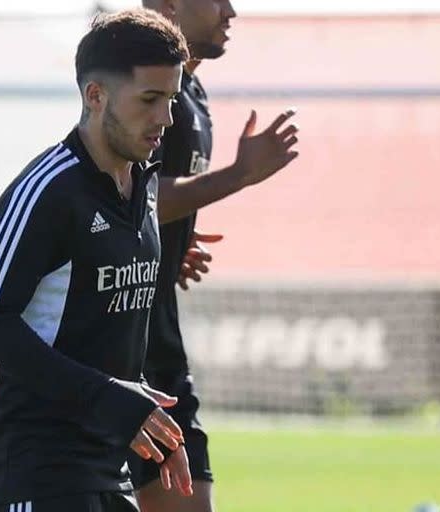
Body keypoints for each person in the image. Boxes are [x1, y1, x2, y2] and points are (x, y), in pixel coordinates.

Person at [0, 9, 192, 512]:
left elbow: (102, 344)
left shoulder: (141, 188)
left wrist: (149, 421)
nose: (165, 118)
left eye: (170, 100)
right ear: (95, 96)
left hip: (109, 471)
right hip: (38, 472)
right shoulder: (49, 190)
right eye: (150, 99)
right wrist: (108, 399)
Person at [131, 2, 301, 511]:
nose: (231, 11)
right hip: (118, 355)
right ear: (167, 6)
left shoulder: (194, 97)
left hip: (159, 342)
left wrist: (171, 245)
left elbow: (141, 212)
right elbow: (122, 198)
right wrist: (237, 176)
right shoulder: (135, 92)